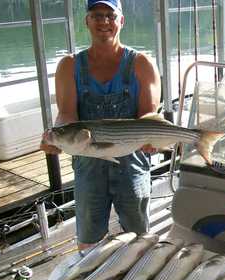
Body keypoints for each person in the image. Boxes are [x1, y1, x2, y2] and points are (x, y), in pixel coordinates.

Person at [40, 0, 161, 250]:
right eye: (96, 15)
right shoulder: (69, 66)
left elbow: (149, 116)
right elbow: (66, 115)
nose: (104, 21)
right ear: (87, 21)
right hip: (88, 163)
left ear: (121, 21)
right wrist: (55, 136)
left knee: (139, 237)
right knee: (88, 239)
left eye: (110, 15)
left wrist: (155, 141)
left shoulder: (142, 64)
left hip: (132, 161)